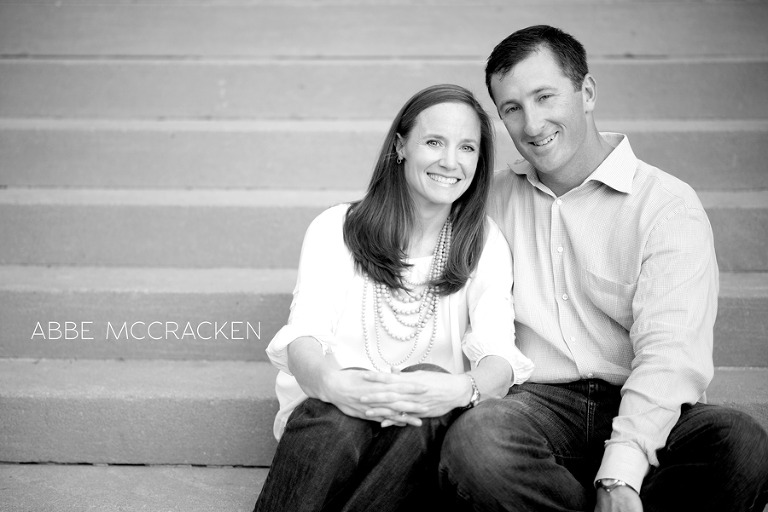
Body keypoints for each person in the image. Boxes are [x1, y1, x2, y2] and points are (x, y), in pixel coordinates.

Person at [438, 25, 768, 512]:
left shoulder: (665, 205)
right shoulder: (490, 201)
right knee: (477, 443)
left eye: (545, 96)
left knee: (742, 445)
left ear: (587, 92)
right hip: (535, 408)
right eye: (512, 108)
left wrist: (619, 477)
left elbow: (669, 358)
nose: (532, 124)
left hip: (642, 402)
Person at [253, 83, 534, 512]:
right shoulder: (336, 228)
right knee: (334, 418)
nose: (449, 161)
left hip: (420, 432)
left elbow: (498, 354)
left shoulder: (484, 243)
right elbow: (304, 336)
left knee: (429, 394)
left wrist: (462, 387)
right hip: (333, 423)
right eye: (434, 142)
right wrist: (335, 384)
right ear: (401, 146)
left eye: (467, 148)